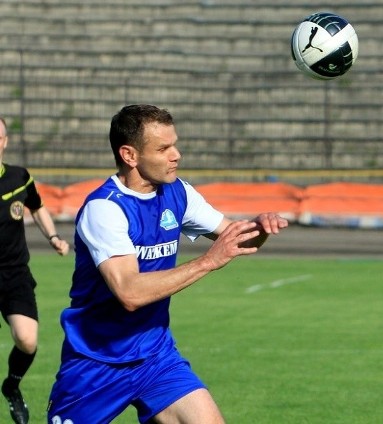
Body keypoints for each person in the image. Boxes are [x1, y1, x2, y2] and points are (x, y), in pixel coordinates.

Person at [47, 104, 288, 423]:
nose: (176, 155)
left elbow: (235, 239)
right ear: (130, 155)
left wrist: (259, 228)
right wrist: (207, 262)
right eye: (163, 148)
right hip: (95, 363)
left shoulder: (178, 194)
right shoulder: (104, 209)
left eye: (174, 144)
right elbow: (130, 293)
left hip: (155, 357)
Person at [0, 116, 70, 424]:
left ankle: (11, 386)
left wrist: (53, 236)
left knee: (27, 340)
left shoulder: (19, 177)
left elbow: (37, 206)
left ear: (4, 142)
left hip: (15, 275)